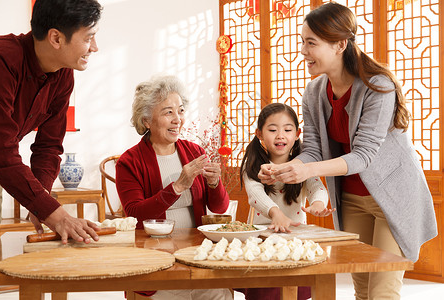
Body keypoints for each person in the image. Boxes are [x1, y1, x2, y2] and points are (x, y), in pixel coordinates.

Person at [258, 2, 438, 300]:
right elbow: (313, 149)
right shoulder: (314, 93)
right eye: (303, 41)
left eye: (311, 43)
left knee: (382, 291)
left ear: (340, 44)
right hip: (352, 199)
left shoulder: (378, 87)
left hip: (393, 197)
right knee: (362, 290)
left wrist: (306, 170)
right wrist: (284, 169)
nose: (303, 50)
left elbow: (364, 156)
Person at [0, 0, 103, 243]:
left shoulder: (64, 74)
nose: (94, 47)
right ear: (56, 38)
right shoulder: (0, 61)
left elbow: (49, 145)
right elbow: (0, 151)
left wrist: (40, 198)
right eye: (88, 38)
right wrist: (54, 214)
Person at [115, 75, 232, 300]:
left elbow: (220, 207)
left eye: (180, 110)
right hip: (155, 260)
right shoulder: (129, 161)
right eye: (168, 112)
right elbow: (135, 212)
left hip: (198, 256)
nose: (177, 119)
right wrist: (178, 186)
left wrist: (214, 183)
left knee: (221, 294)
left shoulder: (194, 151)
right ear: (147, 120)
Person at [238, 103, 333, 300]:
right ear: (260, 134)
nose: (280, 135)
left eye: (287, 130)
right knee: (264, 292)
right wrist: (276, 214)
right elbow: (255, 195)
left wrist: (317, 204)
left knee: (294, 290)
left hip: (295, 239)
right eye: (272, 130)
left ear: (297, 133)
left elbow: (318, 188)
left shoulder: (303, 165)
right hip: (261, 240)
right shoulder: (253, 164)